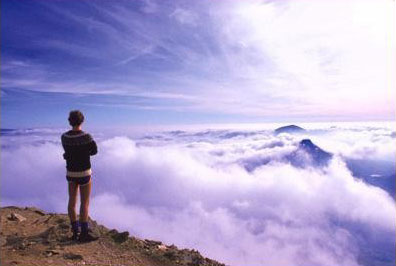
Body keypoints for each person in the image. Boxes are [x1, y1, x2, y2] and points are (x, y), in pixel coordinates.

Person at [61, 110, 98, 242]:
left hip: (70, 173)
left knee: (72, 202)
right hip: (84, 173)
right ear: (82, 121)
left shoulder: (64, 137)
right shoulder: (87, 136)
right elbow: (94, 151)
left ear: (70, 121)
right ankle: (84, 233)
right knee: (84, 203)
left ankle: (75, 231)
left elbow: (67, 152)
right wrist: (84, 153)